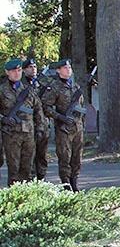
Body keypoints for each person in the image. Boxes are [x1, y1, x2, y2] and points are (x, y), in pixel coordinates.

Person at [41, 59, 84, 190]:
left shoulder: (75, 86)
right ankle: (66, 185)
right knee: (65, 157)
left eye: (69, 67)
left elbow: (81, 106)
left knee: (77, 158)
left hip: (77, 127)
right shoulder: (54, 87)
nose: (68, 69)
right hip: (63, 129)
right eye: (64, 68)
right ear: (58, 71)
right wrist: (60, 117)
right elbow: (46, 107)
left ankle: (75, 183)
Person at [2, 59, 45, 186]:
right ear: (7, 72)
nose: (17, 73)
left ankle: (28, 197)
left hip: (29, 134)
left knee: (28, 168)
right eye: (14, 71)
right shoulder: (2, 90)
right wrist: (3, 119)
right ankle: (14, 197)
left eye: (19, 70)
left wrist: (40, 129)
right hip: (11, 135)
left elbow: (38, 110)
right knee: (14, 168)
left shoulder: (28, 90)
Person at [22, 58, 51, 180]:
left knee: (42, 154)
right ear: (24, 70)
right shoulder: (22, 85)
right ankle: (31, 179)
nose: (33, 69)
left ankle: (42, 178)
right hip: (28, 124)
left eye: (34, 67)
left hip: (43, 124)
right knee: (29, 155)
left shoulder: (41, 84)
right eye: (30, 67)